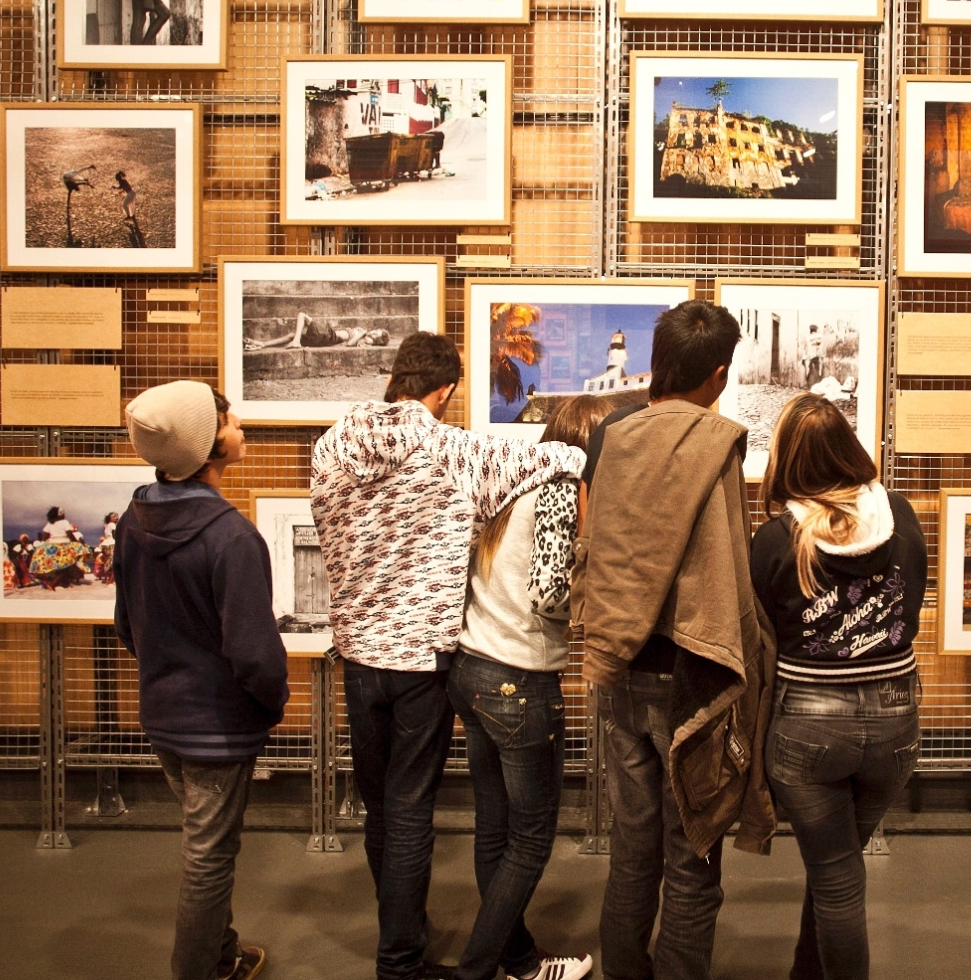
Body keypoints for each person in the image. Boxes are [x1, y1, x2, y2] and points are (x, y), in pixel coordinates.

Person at [310, 332, 586, 980]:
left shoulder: (330, 445)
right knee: (409, 813)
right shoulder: (449, 448)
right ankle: (400, 963)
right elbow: (554, 461)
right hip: (420, 661)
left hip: (356, 655)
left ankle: (400, 927)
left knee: (382, 806)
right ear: (444, 390)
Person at [575, 300, 776, 980]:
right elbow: (722, 563)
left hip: (621, 666)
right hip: (691, 671)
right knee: (693, 850)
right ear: (718, 375)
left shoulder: (609, 435)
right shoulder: (722, 440)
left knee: (632, 852)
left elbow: (597, 545)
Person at [113, 380, 288, 980]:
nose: (239, 424)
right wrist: (270, 703)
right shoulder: (231, 537)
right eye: (227, 419)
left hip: (164, 716)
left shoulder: (133, 522)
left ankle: (221, 954)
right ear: (206, 444)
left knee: (204, 848)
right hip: (218, 726)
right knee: (209, 859)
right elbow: (255, 654)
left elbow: (127, 626)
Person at [750, 394, 926, 980]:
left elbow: (764, 632)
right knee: (840, 867)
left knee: (836, 880)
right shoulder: (901, 515)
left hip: (807, 724)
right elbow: (915, 607)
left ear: (787, 460)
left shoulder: (777, 539)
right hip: (896, 718)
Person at [447, 395, 613, 980]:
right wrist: (602, 599)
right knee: (532, 838)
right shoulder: (564, 483)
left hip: (472, 669)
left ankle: (517, 960)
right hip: (520, 679)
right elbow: (547, 592)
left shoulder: (513, 477)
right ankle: (476, 969)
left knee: (493, 829)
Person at [244, 313, 391, 351]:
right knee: (290, 335)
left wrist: (360, 333)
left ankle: (296, 342)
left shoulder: (367, 340)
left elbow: (350, 344)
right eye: (375, 330)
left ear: (378, 341)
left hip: (329, 336)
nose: (373, 332)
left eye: (376, 334)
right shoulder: (364, 334)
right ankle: (262, 344)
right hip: (326, 337)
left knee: (302, 315)